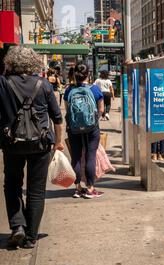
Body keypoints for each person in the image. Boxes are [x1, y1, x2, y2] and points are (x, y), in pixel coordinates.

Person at [0, 46, 64, 248]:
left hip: (13, 144)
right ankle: (31, 237)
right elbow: (57, 118)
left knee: (12, 185)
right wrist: (59, 143)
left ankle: (17, 226)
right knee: (36, 190)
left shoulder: (4, 83)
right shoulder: (43, 84)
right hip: (41, 143)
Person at [64, 63, 105, 199]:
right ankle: (90, 189)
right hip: (91, 127)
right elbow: (101, 109)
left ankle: (77, 188)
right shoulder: (94, 89)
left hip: (74, 128)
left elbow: (68, 110)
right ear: (88, 74)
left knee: (75, 157)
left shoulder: (69, 90)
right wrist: (94, 120)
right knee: (90, 155)